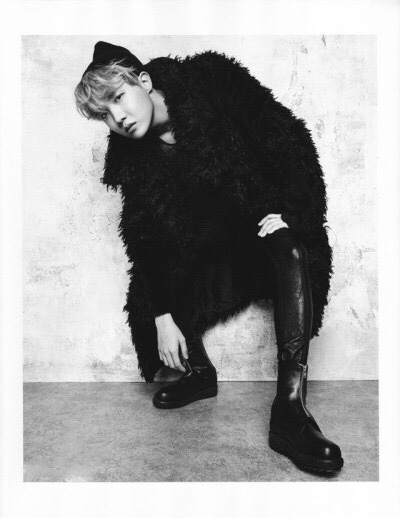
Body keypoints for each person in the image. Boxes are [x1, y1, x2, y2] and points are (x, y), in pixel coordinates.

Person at [74, 41, 344, 473]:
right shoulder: (131, 157)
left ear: (144, 80)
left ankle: (290, 409)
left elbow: (284, 134)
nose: (118, 118)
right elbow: (144, 235)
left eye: (119, 98)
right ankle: (199, 373)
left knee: (294, 247)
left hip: (257, 219)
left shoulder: (210, 79)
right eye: (104, 114)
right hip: (210, 244)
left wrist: (293, 211)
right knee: (153, 279)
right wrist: (162, 315)